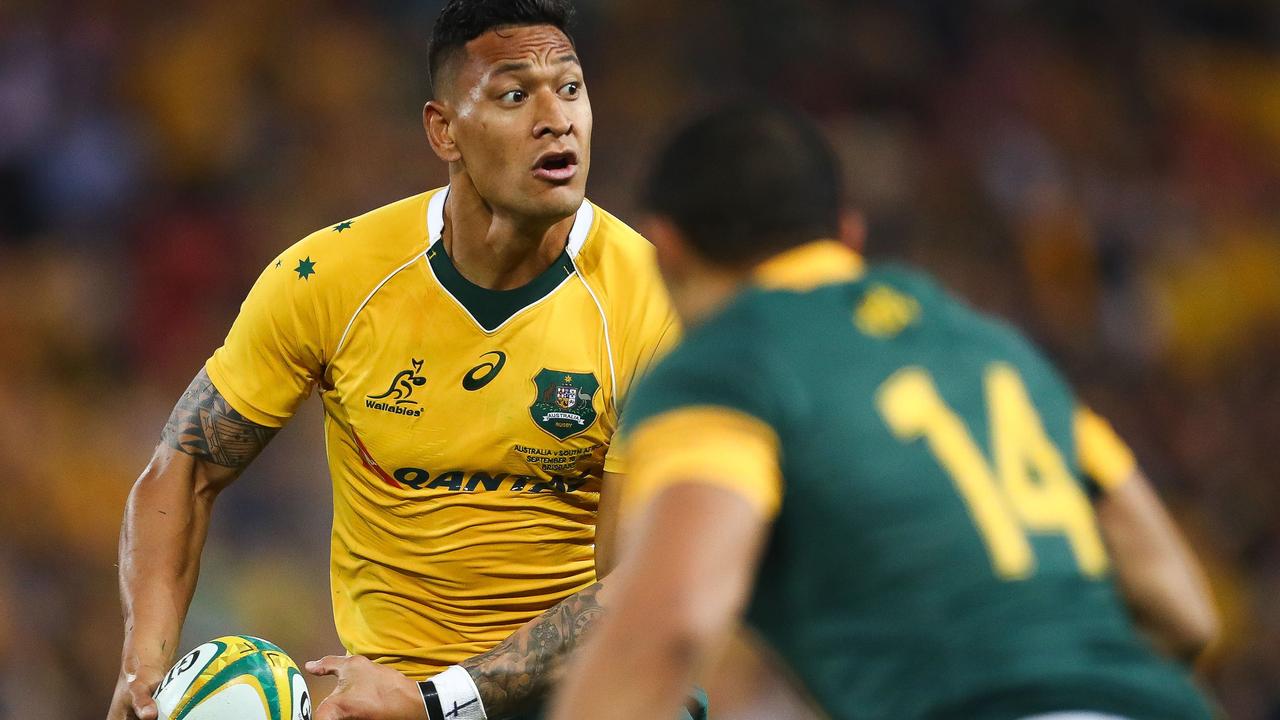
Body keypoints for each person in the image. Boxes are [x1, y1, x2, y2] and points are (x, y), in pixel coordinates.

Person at [106, 2, 700, 719]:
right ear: (443, 130)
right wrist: (143, 666)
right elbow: (188, 468)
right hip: (392, 700)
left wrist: (439, 701)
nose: (557, 118)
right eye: (516, 95)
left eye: (570, 88)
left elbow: (638, 588)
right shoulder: (331, 278)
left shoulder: (655, 304)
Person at [550, 103, 1220, 720]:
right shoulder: (994, 350)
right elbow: (1185, 611)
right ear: (848, 232)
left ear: (667, 249)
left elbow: (673, 621)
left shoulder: (728, 364)